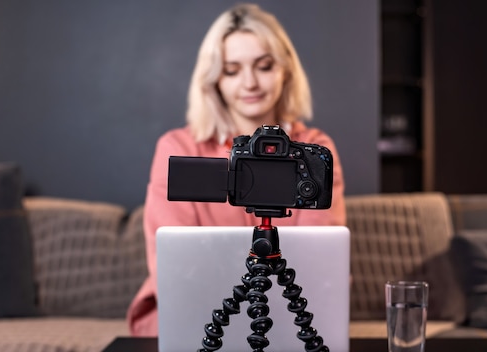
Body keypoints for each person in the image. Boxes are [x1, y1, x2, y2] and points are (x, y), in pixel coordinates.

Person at [127, 2, 346, 337]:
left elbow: (318, 266)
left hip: (287, 318)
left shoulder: (316, 150)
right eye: (231, 70)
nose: (250, 83)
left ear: (285, 69)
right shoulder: (180, 148)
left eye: (264, 66)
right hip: (199, 316)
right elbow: (176, 268)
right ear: (214, 80)